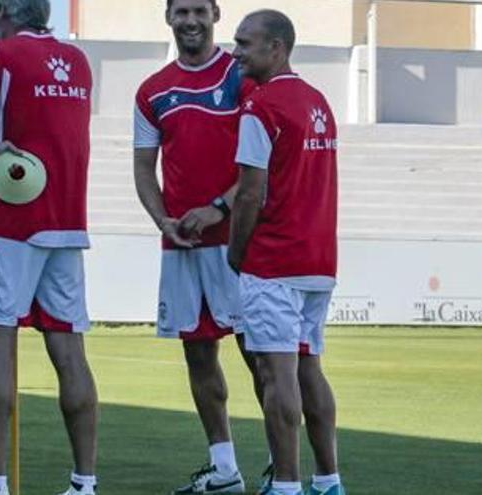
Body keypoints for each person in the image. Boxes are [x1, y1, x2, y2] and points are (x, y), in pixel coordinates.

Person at [0, 1, 98, 494]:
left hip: (12, 220)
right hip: (68, 220)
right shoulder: (76, 62)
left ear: (7, 12)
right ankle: (84, 483)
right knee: (69, 351)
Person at [133, 0, 263, 493]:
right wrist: (163, 219)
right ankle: (225, 468)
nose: (191, 20)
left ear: (216, 15)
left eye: (199, 11)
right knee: (199, 355)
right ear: (169, 17)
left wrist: (219, 209)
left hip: (239, 240)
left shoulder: (241, 75)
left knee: (262, 355)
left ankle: (282, 462)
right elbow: (144, 167)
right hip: (183, 246)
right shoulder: (152, 90)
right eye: (181, 11)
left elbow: (261, 162)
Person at [228, 9, 345, 495]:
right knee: (308, 367)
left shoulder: (262, 108)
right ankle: (328, 481)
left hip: (275, 260)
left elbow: (250, 193)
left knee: (276, 376)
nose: (236, 53)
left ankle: (287, 487)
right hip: (318, 258)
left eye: (245, 43)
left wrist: (237, 253)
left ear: (276, 47)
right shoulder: (317, 101)